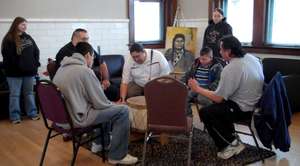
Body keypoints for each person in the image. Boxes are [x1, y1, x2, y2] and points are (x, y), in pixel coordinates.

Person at [53, 42, 138, 165]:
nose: (93, 60)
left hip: (61, 117)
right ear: (88, 55)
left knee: (106, 107)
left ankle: (99, 143)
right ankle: (117, 156)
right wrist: (117, 104)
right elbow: (100, 103)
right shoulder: (84, 71)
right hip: (76, 118)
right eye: (93, 57)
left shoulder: (62, 68)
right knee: (122, 111)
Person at [188, 35, 264, 159]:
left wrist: (197, 89)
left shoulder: (231, 68)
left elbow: (218, 98)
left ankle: (229, 145)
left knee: (206, 112)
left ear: (228, 52)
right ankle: (232, 137)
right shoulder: (252, 58)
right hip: (255, 104)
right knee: (217, 107)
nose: (220, 52)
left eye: (221, 49)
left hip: (243, 110)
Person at [55, 28, 119, 101]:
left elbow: (102, 62)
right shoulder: (64, 52)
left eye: (88, 39)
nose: (87, 42)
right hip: (77, 88)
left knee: (114, 90)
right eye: (84, 39)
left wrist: (105, 79)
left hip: (90, 82)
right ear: (75, 39)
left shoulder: (87, 47)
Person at [1, 17, 40, 124]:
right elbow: (7, 57)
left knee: (29, 93)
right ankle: (15, 117)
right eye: (22, 24)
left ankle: (32, 113)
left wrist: (35, 65)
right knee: (15, 95)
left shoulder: (28, 37)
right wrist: (18, 66)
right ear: (16, 25)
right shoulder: (9, 39)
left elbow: (36, 51)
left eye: (25, 24)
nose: (25, 26)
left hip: (29, 72)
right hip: (14, 74)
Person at [182, 47, 223, 116]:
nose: (201, 61)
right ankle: (189, 116)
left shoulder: (217, 67)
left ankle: (208, 118)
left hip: (207, 89)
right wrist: (180, 82)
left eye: (204, 59)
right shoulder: (196, 63)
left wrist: (210, 88)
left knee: (204, 100)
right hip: (194, 88)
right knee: (183, 99)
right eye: (200, 58)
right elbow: (187, 74)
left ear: (211, 58)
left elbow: (219, 80)